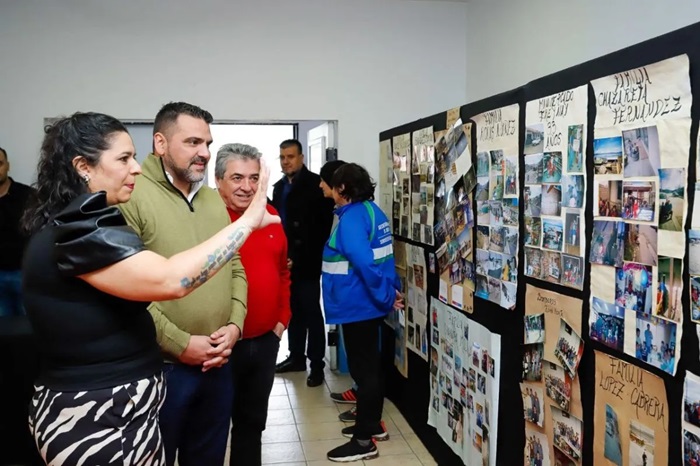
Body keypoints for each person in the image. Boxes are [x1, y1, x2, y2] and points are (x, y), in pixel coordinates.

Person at [21, 112, 276, 465]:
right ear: (83, 166)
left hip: (124, 410)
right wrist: (247, 222)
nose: (136, 167)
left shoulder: (86, 223)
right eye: (123, 159)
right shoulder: (74, 234)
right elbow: (170, 280)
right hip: (95, 416)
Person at [119, 102, 248, 466]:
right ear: (160, 143)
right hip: (163, 367)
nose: (205, 153)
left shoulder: (211, 198)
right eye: (192, 142)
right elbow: (126, 289)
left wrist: (235, 326)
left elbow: (234, 263)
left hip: (218, 362)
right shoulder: (132, 195)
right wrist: (180, 344)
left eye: (207, 142)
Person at [214, 143, 291, 465]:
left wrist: (281, 320)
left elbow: (283, 271)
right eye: (237, 178)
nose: (247, 187)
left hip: (264, 339)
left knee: (252, 424)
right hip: (219, 346)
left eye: (254, 178)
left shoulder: (271, 216)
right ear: (218, 180)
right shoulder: (207, 219)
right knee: (212, 428)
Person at [321, 163, 402, 462]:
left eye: (332, 185)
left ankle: (363, 440)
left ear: (343, 190)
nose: (326, 188)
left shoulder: (353, 217)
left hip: (358, 306)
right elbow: (383, 259)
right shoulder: (371, 211)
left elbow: (364, 262)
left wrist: (384, 295)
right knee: (371, 369)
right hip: (367, 305)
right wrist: (388, 293)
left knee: (364, 372)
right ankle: (371, 425)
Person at [273, 139, 335, 387]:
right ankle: (296, 357)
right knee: (293, 312)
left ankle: (317, 365)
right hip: (284, 264)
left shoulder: (315, 185)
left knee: (310, 312)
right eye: (282, 157)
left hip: (307, 261)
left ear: (301, 158)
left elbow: (320, 229)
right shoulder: (278, 188)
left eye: (290, 156)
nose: (286, 161)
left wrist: (297, 258)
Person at [0, 146, 35, 316]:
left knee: (29, 328)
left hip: (23, 274)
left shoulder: (28, 196)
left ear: (7, 165)